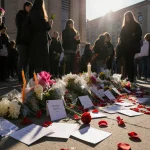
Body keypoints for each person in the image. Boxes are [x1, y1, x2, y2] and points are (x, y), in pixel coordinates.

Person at [29, 0, 53, 77]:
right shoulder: (37, 13)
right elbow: (42, 26)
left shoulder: (33, 12)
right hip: (40, 40)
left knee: (39, 61)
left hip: (37, 40)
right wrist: (49, 24)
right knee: (41, 61)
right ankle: (41, 80)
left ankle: (41, 80)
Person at [119, 11, 142, 82]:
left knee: (130, 61)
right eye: (125, 17)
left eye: (128, 17)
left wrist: (132, 37)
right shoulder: (124, 27)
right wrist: (122, 40)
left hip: (132, 47)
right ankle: (127, 76)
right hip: (125, 47)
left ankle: (131, 77)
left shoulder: (136, 25)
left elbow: (139, 34)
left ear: (131, 16)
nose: (126, 18)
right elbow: (121, 35)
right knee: (126, 62)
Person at [15, 1, 33, 82]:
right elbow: (20, 27)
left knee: (26, 61)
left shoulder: (30, 15)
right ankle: (20, 78)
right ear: (26, 6)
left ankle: (24, 77)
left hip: (28, 42)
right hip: (21, 41)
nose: (30, 9)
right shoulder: (20, 14)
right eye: (29, 7)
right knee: (22, 60)